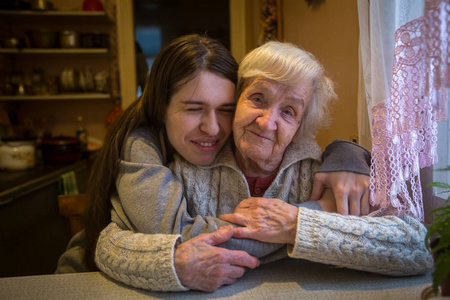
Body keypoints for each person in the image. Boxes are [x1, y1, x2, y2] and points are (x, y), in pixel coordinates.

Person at [93, 40, 432, 292]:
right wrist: (320, 212)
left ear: (301, 126)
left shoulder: (322, 176)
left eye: (289, 111)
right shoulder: (183, 169)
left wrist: (299, 224)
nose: (267, 122)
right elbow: (110, 241)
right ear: (237, 99)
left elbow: (417, 250)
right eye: (257, 98)